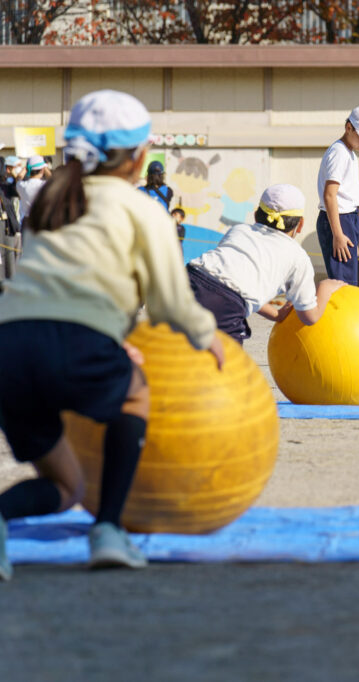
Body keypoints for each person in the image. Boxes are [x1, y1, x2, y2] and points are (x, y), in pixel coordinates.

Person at [0, 90, 226, 580]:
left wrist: (110, 333)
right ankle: (108, 530)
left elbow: (53, 288)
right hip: (76, 343)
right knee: (135, 394)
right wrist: (206, 334)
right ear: (140, 156)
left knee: (67, 488)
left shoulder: (51, 203)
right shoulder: (142, 209)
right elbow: (168, 303)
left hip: (10, 349)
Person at [187, 184, 345, 344]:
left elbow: (232, 282)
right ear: (300, 225)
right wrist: (324, 288)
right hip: (225, 304)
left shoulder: (239, 230)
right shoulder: (298, 256)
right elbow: (309, 316)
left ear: (256, 215)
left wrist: (276, 314)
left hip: (188, 280)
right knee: (226, 359)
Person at [317, 104, 359, 287]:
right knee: (343, 284)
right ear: (349, 127)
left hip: (347, 217)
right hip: (339, 219)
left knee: (347, 281)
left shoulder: (348, 152)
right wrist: (338, 234)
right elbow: (330, 195)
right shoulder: (339, 153)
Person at [16, 155, 49, 227]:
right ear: (42, 170)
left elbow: (18, 178)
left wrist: (25, 169)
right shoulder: (44, 185)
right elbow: (53, 180)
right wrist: (45, 168)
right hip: (41, 221)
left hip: (26, 222)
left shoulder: (22, 185)